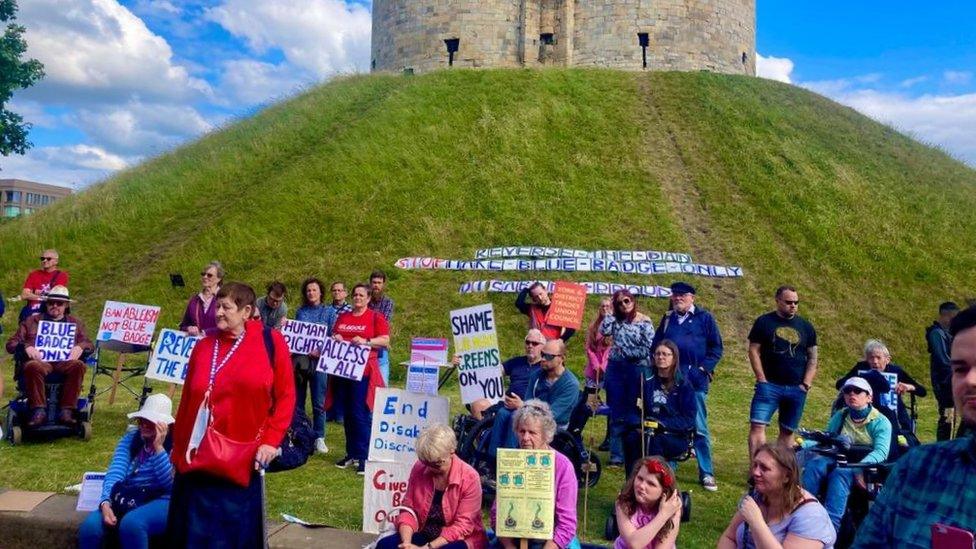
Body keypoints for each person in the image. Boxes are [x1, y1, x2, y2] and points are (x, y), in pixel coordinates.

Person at [168, 282, 296, 547]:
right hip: (197, 461)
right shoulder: (204, 346)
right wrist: (177, 452)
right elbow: (188, 403)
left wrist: (271, 440)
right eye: (217, 305)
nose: (218, 313)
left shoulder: (270, 342)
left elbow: (286, 397)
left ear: (246, 311)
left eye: (226, 307)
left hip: (241, 461)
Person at [852, 305, 976, 548]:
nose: (970, 380)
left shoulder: (896, 371)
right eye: (960, 369)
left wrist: (907, 388)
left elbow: (919, 389)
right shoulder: (916, 468)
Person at [651, 281, 723, 492]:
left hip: (695, 383)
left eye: (682, 295)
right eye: (675, 295)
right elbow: (656, 346)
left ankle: (707, 472)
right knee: (668, 424)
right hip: (669, 382)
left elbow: (716, 348)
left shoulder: (704, 318)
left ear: (692, 297)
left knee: (699, 427)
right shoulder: (667, 319)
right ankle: (667, 470)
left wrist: (702, 370)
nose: (678, 298)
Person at [78, 394, 175, 549]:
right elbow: (116, 472)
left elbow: (170, 484)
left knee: (132, 525)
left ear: (164, 425)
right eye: (141, 420)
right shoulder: (131, 438)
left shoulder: (174, 444)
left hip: (161, 498)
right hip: (127, 495)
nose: (143, 425)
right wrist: (105, 503)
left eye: (149, 422)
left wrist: (158, 448)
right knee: (90, 528)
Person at [800, 377, 891, 533]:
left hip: (861, 464)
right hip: (836, 457)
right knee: (815, 465)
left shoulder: (881, 421)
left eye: (857, 391)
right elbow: (829, 440)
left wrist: (859, 468)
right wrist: (802, 444)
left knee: (841, 473)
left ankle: (830, 529)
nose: (851, 394)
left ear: (869, 397)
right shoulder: (841, 415)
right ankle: (801, 513)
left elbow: (881, 452)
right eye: (847, 391)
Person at [377, 424, 487, 549]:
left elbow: (463, 526)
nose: (430, 468)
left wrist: (428, 547)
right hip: (425, 531)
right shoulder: (419, 467)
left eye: (437, 464)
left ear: (452, 451)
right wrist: (406, 543)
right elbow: (408, 509)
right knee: (384, 545)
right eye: (426, 462)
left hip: (459, 538)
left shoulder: (470, 477)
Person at [492, 400, 578, 549]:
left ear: (546, 435)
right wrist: (509, 546)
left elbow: (566, 524)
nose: (525, 438)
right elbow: (496, 514)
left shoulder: (563, 467)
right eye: (522, 431)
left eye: (532, 432)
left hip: (550, 541)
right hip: (513, 538)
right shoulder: (511, 461)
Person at [5, 285, 93, 427]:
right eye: (51, 302)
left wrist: (80, 346)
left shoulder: (75, 323)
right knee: (32, 366)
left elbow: (89, 344)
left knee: (79, 365)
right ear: (46, 304)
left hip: (64, 362)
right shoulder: (31, 321)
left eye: (59, 303)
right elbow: (11, 344)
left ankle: (67, 410)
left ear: (66, 305)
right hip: (39, 361)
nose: (54, 306)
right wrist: (25, 347)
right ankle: (39, 410)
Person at [718, 443, 835, 549]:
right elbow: (729, 537)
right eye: (755, 465)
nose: (755, 472)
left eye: (764, 468)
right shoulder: (757, 496)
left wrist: (756, 522)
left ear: (786, 477)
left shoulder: (811, 516)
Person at [747, 285, 818, 457]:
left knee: (787, 432)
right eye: (788, 302)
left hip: (796, 388)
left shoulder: (806, 326)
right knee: (758, 426)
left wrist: (806, 384)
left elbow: (813, 358)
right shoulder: (764, 322)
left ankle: (779, 472)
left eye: (796, 302)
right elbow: (753, 350)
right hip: (769, 385)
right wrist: (761, 378)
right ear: (777, 301)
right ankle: (755, 472)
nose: (793, 305)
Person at [328, 282, 390, 474]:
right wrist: (336, 337)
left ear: (369, 298)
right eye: (355, 295)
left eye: (361, 295)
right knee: (347, 413)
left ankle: (364, 456)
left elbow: (385, 341)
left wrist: (366, 341)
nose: (357, 298)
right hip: (343, 371)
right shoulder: (343, 316)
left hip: (363, 372)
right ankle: (352, 453)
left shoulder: (375, 317)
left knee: (360, 414)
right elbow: (335, 334)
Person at [488, 339, 580, 456]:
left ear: (562, 358)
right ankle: (491, 459)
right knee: (502, 413)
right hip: (531, 413)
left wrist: (522, 406)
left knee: (514, 418)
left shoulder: (570, 384)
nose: (543, 359)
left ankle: (510, 460)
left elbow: (552, 414)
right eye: (542, 354)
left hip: (554, 424)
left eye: (548, 356)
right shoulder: (536, 375)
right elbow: (528, 400)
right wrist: (522, 406)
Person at [622, 341, 696, 477]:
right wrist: (638, 423)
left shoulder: (683, 385)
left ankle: (654, 483)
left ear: (674, 358)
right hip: (646, 429)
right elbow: (631, 409)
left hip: (673, 434)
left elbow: (688, 419)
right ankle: (631, 483)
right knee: (630, 438)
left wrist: (662, 425)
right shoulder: (644, 380)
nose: (661, 357)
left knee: (654, 442)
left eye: (666, 354)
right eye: (658, 354)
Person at [601, 289, 655, 467]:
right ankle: (616, 455)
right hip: (616, 369)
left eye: (627, 301)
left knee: (634, 411)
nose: (624, 305)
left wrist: (627, 353)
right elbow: (604, 331)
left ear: (633, 301)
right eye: (619, 303)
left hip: (636, 367)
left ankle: (637, 451)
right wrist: (609, 313)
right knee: (616, 411)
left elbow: (649, 347)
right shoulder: (615, 320)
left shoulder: (644, 321)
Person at [835, 339, 926, 432]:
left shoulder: (895, 371)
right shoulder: (861, 368)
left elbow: (922, 392)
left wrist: (909, 387)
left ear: (887, 360)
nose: (875, 361)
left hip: (893, 413)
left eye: (878, 358)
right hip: (864, 412)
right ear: (867, 359)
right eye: (871, 357)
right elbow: (839, 385)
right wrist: (854, 382)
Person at [466, 329, 546, 420]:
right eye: (527, 342)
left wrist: (523, 404)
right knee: (477, 405)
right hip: (505, 401)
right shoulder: (517, 361)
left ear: (543, 347)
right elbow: (494, 372)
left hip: (525, 406)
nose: (530, 346)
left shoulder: (545, 367)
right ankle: (483, 432)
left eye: (534, 343)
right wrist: (469, 359)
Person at [292, 278, 330, 454]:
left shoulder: (329, 312)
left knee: (318, 402)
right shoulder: (301, 312)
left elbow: (333, 335)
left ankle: (319, 436)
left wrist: (320, 349)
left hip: (321, 362)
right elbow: (297, 335)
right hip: (302, 361)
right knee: (299, 400)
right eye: (308, 290)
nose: (311, 293)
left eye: (314, 290)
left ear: (320, 292)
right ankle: (299, 433)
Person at [613, 456, 682, 549]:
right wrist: (663, 515)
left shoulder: (673, 510)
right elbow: (634, 544)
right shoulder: (623, 502)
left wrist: (666, 514)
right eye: (640, 478)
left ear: (664, 492)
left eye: (651, 484)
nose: (641, 486)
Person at [927, 301, 959, 440]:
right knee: (947, 416)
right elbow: (943, 360)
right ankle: (943, 445)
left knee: (952, 417)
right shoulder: (936, 334)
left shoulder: (948, 334)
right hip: (944, 383)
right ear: (946, 316)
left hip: (951, 380)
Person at [585, 298, 612, 450]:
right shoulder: (593, 326)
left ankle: (609, 438)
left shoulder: (616, 326)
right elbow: (589, 348)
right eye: (602, 306)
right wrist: (596, 365)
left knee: (612, 404)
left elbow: (612, 348)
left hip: (609, 371)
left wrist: (604, 366)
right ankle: (579, 431)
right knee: (589, 402)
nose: (605, 308)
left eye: (608, 306)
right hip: (593, 371)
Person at [324, 281, 352, 423]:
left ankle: (340, 412)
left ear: (345, 293)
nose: (337, 293)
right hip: (330, 349)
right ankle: (329, 410)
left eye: (340, 290)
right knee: (330, 382)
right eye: (334, 290)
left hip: (345, 351)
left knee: (342, 382)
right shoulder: (327, 309)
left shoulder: (351, 310)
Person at [19, 249, 69, 322]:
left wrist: (34, 294)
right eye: (42, 259)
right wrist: (43, 295)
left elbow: (56, 295)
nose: (44, 261)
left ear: (56, 261)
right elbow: (24, 295)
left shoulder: (61, 276)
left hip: (49, 310)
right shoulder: (34, 274)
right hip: (31, 311)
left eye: (48, 259)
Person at [179, 260, 224, 336]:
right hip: (198, 344)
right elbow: (183, 326)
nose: (205, 277)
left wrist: (206, 333)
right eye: (203, 274)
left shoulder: (225, 298)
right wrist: (189, 328)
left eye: (209, 275)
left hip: (218, 344)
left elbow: (230, 325)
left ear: (218, 279)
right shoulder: (194, 300)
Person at [368, 270, 394, 385]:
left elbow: (383, 323)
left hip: (380, 348)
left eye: (379, 282)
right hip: (364, 348)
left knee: (382, 384)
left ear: (383, 284)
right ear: (370, 283)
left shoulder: (388, 302)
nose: (376, 285)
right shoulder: (364, 300)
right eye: (374, 282)